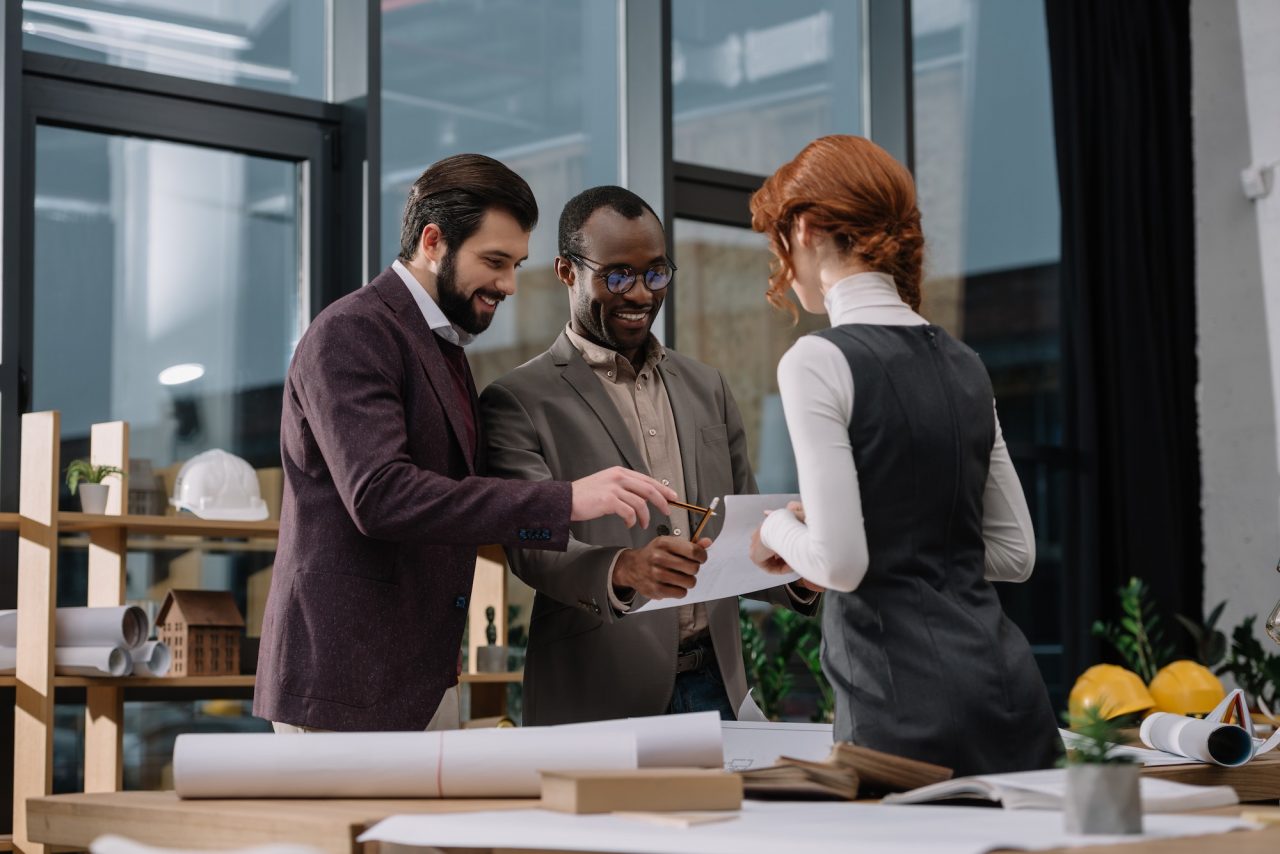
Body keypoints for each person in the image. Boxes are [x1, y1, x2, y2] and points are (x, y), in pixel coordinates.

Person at [254, 156, 676, 733]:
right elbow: (380, 495)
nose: (507, 285)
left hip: (416, 680)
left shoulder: (441, 345)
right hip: (344, 683)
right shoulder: (352, 332)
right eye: (494, 262)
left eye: (516, 264)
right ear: (433, 242)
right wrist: (565, 501)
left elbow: (462, 497)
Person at [747, 135, 1058, 775]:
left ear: (803, 229)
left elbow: (842, 564)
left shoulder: (817, 360)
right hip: (1009, 697)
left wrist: (779, 527)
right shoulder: (966, 364)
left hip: (900, 712)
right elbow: (1014, 555)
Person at [479, 186, 819, 726]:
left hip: (718, 685)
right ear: (566, 272)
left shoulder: (708, 386)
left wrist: (797, 574)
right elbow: (531, 548)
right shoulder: (517, 400)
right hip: (598, 692)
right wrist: (626, 569)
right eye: (617, 277)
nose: (640, 294)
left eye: (656, 274)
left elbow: (744, 526)